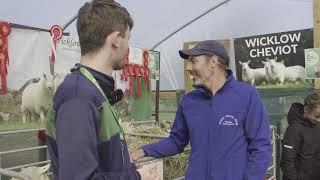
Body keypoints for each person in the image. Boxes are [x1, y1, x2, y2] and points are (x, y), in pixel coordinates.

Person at [130, 40, 272, 180]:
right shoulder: (188, 101)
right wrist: (143, 151)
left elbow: (260, 147)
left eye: (193, 61)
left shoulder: (247, 95)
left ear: (213, 62)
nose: (188, 67)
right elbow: (176, 141)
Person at [45, 0, 154, 179]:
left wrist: (129, 169)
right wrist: (137, 177)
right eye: (127, 39)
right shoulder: (79, 96)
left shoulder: (93, 90)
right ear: (116, 39)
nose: (128, 48)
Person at [280, 92, 320, 180]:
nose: (319, 120)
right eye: (317, 116)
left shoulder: (317, 126)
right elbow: (287, 162)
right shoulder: (294, 130)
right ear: (306, 109)